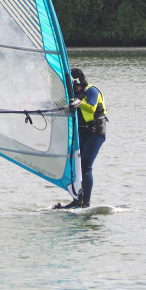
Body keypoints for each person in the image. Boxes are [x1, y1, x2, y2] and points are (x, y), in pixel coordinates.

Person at [54, 67, 107, 209]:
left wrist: (79, 103)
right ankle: (77, 200)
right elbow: (58, 105)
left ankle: (86, 202)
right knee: (76, 166)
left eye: (73, 86)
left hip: (95, 132)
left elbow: (91, 108)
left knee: (85, 165)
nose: (71, 89)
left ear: (78, 83)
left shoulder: (92, 90)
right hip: (81, 133)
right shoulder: (72, 94)